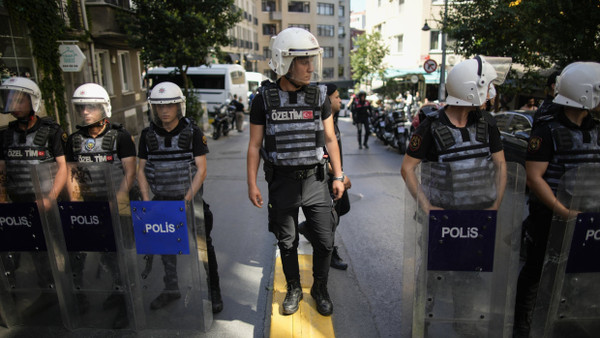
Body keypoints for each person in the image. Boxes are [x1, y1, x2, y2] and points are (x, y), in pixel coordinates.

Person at [246, 27, 345, 317]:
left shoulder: (319, 96)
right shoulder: (263, 99)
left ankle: (319, 287)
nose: (310, 67)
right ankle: (293, 288)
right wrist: (251, 183)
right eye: (303, 61)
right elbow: (254, 145)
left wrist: (338, 175)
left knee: (325, 241)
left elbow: (330, 139)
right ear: (283, 62)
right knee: (286, 241)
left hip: (316, 180)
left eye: (310, 60)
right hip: (283, 182)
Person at [513, 62, 600, 337]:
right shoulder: (547, 130)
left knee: (581, 272)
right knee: (538, 269)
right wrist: (561, 210)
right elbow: (534, 177)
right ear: (585, 93)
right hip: (551, 216)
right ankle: (523, 324)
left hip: (588, 217)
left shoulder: (596, 128)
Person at [137, 81, 223, 313]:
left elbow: (201, 169)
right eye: (159, 106)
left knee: (204, 248)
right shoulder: (147, 135)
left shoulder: (193, 132)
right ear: (153, 108)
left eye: (169, 105)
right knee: (166, 248)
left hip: (189, 202)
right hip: (162, 202)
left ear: (179, 107)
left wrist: (186, 199)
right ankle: (170, 288)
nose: (164, 110)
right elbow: (141, 170)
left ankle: (214, 290)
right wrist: (146, 200)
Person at [64, 83, 137, 328]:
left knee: (119, 256)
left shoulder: (120, 136)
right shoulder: (74, 140)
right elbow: (72, 173)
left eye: (91, 107)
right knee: (100, 256)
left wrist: (118, 199)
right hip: (90, 207)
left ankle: (126, 305)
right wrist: (76, 203)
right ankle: (113, 294)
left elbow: (130, 171)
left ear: (103, 108)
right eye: (82, 107)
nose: (86, 112)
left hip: (116, 205)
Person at [401, 55, 507, 212]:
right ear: (470, 89)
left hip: (481, 214)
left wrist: (496, 204)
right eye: (487, 86)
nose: (491, 94)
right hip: (443, 218)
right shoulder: (431, 125)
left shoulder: (487, 122)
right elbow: (407, 168)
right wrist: (426, 207)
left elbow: (501, 165)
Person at [0, 76, 68, 316]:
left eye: (19, 99)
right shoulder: (5, 135)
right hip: (19, 201)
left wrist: (50, 197)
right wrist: (2, 196)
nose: (13, 104)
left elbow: (63, 167)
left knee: (58, 246)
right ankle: (47, 291)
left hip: (47, 200)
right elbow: (2, 168)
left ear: (32, 100)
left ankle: (71, 291)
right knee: (32, 249)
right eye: (10, 98)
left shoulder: (51, 131)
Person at [298, 83, 352, 271]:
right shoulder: (320, 123)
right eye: (336, 97)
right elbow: (320, 153)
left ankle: (308, 228)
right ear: (327, 99)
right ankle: (327, 252)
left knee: (342, 209)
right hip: (325, 179)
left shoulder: (332, 121)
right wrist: (339, 175)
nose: (339, 100)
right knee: (331, 219)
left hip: (335, 177)